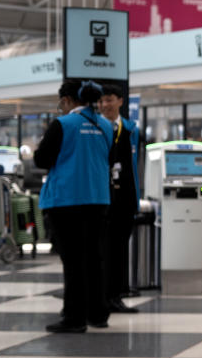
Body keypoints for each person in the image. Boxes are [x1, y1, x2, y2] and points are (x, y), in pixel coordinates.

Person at [34, 80, 113, 333]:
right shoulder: (106, 125)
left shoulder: (63, 124)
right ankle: (98, 313)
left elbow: (42, 159)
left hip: (67, 199)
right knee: (94, 257)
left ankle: (74, 318)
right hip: (98, 199)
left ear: (67, 100)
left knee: (73, 261)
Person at [99, 84, 139, 313]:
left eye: (109, 100)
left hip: (125, 198)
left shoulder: (131, 130)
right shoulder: (97, 129)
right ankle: (102, 296)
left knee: (120, 249)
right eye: (102, 101)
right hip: (102, 199)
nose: (105, 105)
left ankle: (117, 295)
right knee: (103, 250)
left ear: (120, 101)